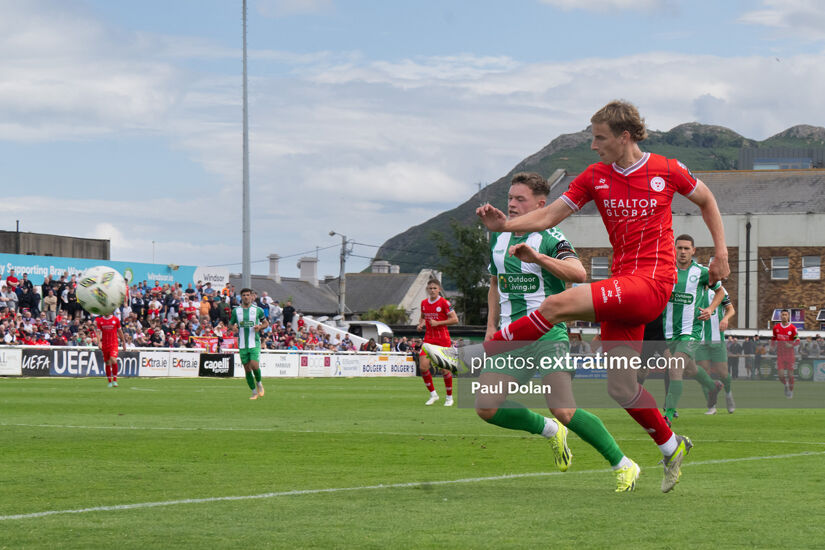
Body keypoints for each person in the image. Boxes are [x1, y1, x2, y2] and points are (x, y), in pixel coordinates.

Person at [464, 100, 728, 492]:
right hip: (623, 286)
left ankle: (469, 354)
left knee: (555, 305)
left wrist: (721, 252)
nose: (593, 145)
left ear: (624, 137)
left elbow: (707, 200)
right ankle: (671, 446)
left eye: (599, 137)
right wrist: (506, 224)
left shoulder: (667, 169)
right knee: (620, 387)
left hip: (652, 281)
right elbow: (550, 214)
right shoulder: (595, 176)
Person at [441, 171, 639, 491]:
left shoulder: (551, 236)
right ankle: (549, 431)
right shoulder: (499, 235)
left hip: (548, 335)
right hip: (512, 337)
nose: (513, 205)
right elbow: (495, 283)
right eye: (510, 199)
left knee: (563, 408)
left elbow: (578, 272)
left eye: (521, 199)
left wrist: (538, 258)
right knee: (486, 407)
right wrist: (491, 326)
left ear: (541, 204)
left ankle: (624, 464)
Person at [662, 234, 726, 421]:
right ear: (674, 249)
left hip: (691, 330)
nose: (682, 252)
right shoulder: (665, 270)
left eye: (686, 248)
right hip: (668, 331)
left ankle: (667, 415)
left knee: (675, 367)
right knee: (689, 370)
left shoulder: (702, 272)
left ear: (693, 251)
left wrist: (710, 308)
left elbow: (720, 292)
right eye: (679, 248)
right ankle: (713, 386)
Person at [417, 278, 458, 406]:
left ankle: (449, 398)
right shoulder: (424, 303)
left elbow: (455, 319)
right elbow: (423, 316)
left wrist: (438, 323)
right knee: (423, 367)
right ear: (427, 290)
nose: (432, 290)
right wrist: (421, 324)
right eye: (430, 288)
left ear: (439, 289)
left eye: (435, 288)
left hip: (443, 340)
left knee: (445, 370)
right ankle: (433, 395)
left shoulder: (445, 303)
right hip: (429, 339)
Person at [696, 286, 736, 414]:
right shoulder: (693, 289)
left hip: (717, 338)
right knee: (703, 374)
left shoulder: (720, 290)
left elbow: (731, 309)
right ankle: (711, 406)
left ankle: (728, 394)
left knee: (723, 373)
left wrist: (725, 318)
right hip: (699, 339)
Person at [229, 288, 269, 400]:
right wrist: (234, 327)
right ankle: (254, 392)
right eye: (244, 295)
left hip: (254, 342)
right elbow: (231, 324)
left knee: (254, 365)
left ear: (251, 296)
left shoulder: (258, 310)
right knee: (247, 369)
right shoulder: (236, 311)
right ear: (241, 297)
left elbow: (266, 323)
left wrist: (260, 326)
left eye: (248, 295)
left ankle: (259, 383)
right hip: (242, 344)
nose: (246, 297)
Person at [771, 309, 799, 398]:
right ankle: (786, 384)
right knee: (780, 375)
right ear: (780, 316)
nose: (784, 316)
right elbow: (774, 338)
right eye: (782, 314)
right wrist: (772, 346)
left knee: (791, 375)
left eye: (785, 315)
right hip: (780, 355)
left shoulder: (793, 328)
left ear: (788, 316)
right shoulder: (776, 328)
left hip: (790, 355)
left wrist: (791, 345)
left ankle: (790, 391)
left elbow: (797, 341)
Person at [94, 312, 126, 387]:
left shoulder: (115, 319)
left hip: (114, 343)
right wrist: (99, 342)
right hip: (105, 344)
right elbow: (98, 333)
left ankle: (115, 379)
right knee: (107, 363)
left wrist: (123, 342)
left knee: (113, 359)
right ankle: (109, 381)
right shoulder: (100, 320)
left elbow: (120, 331)